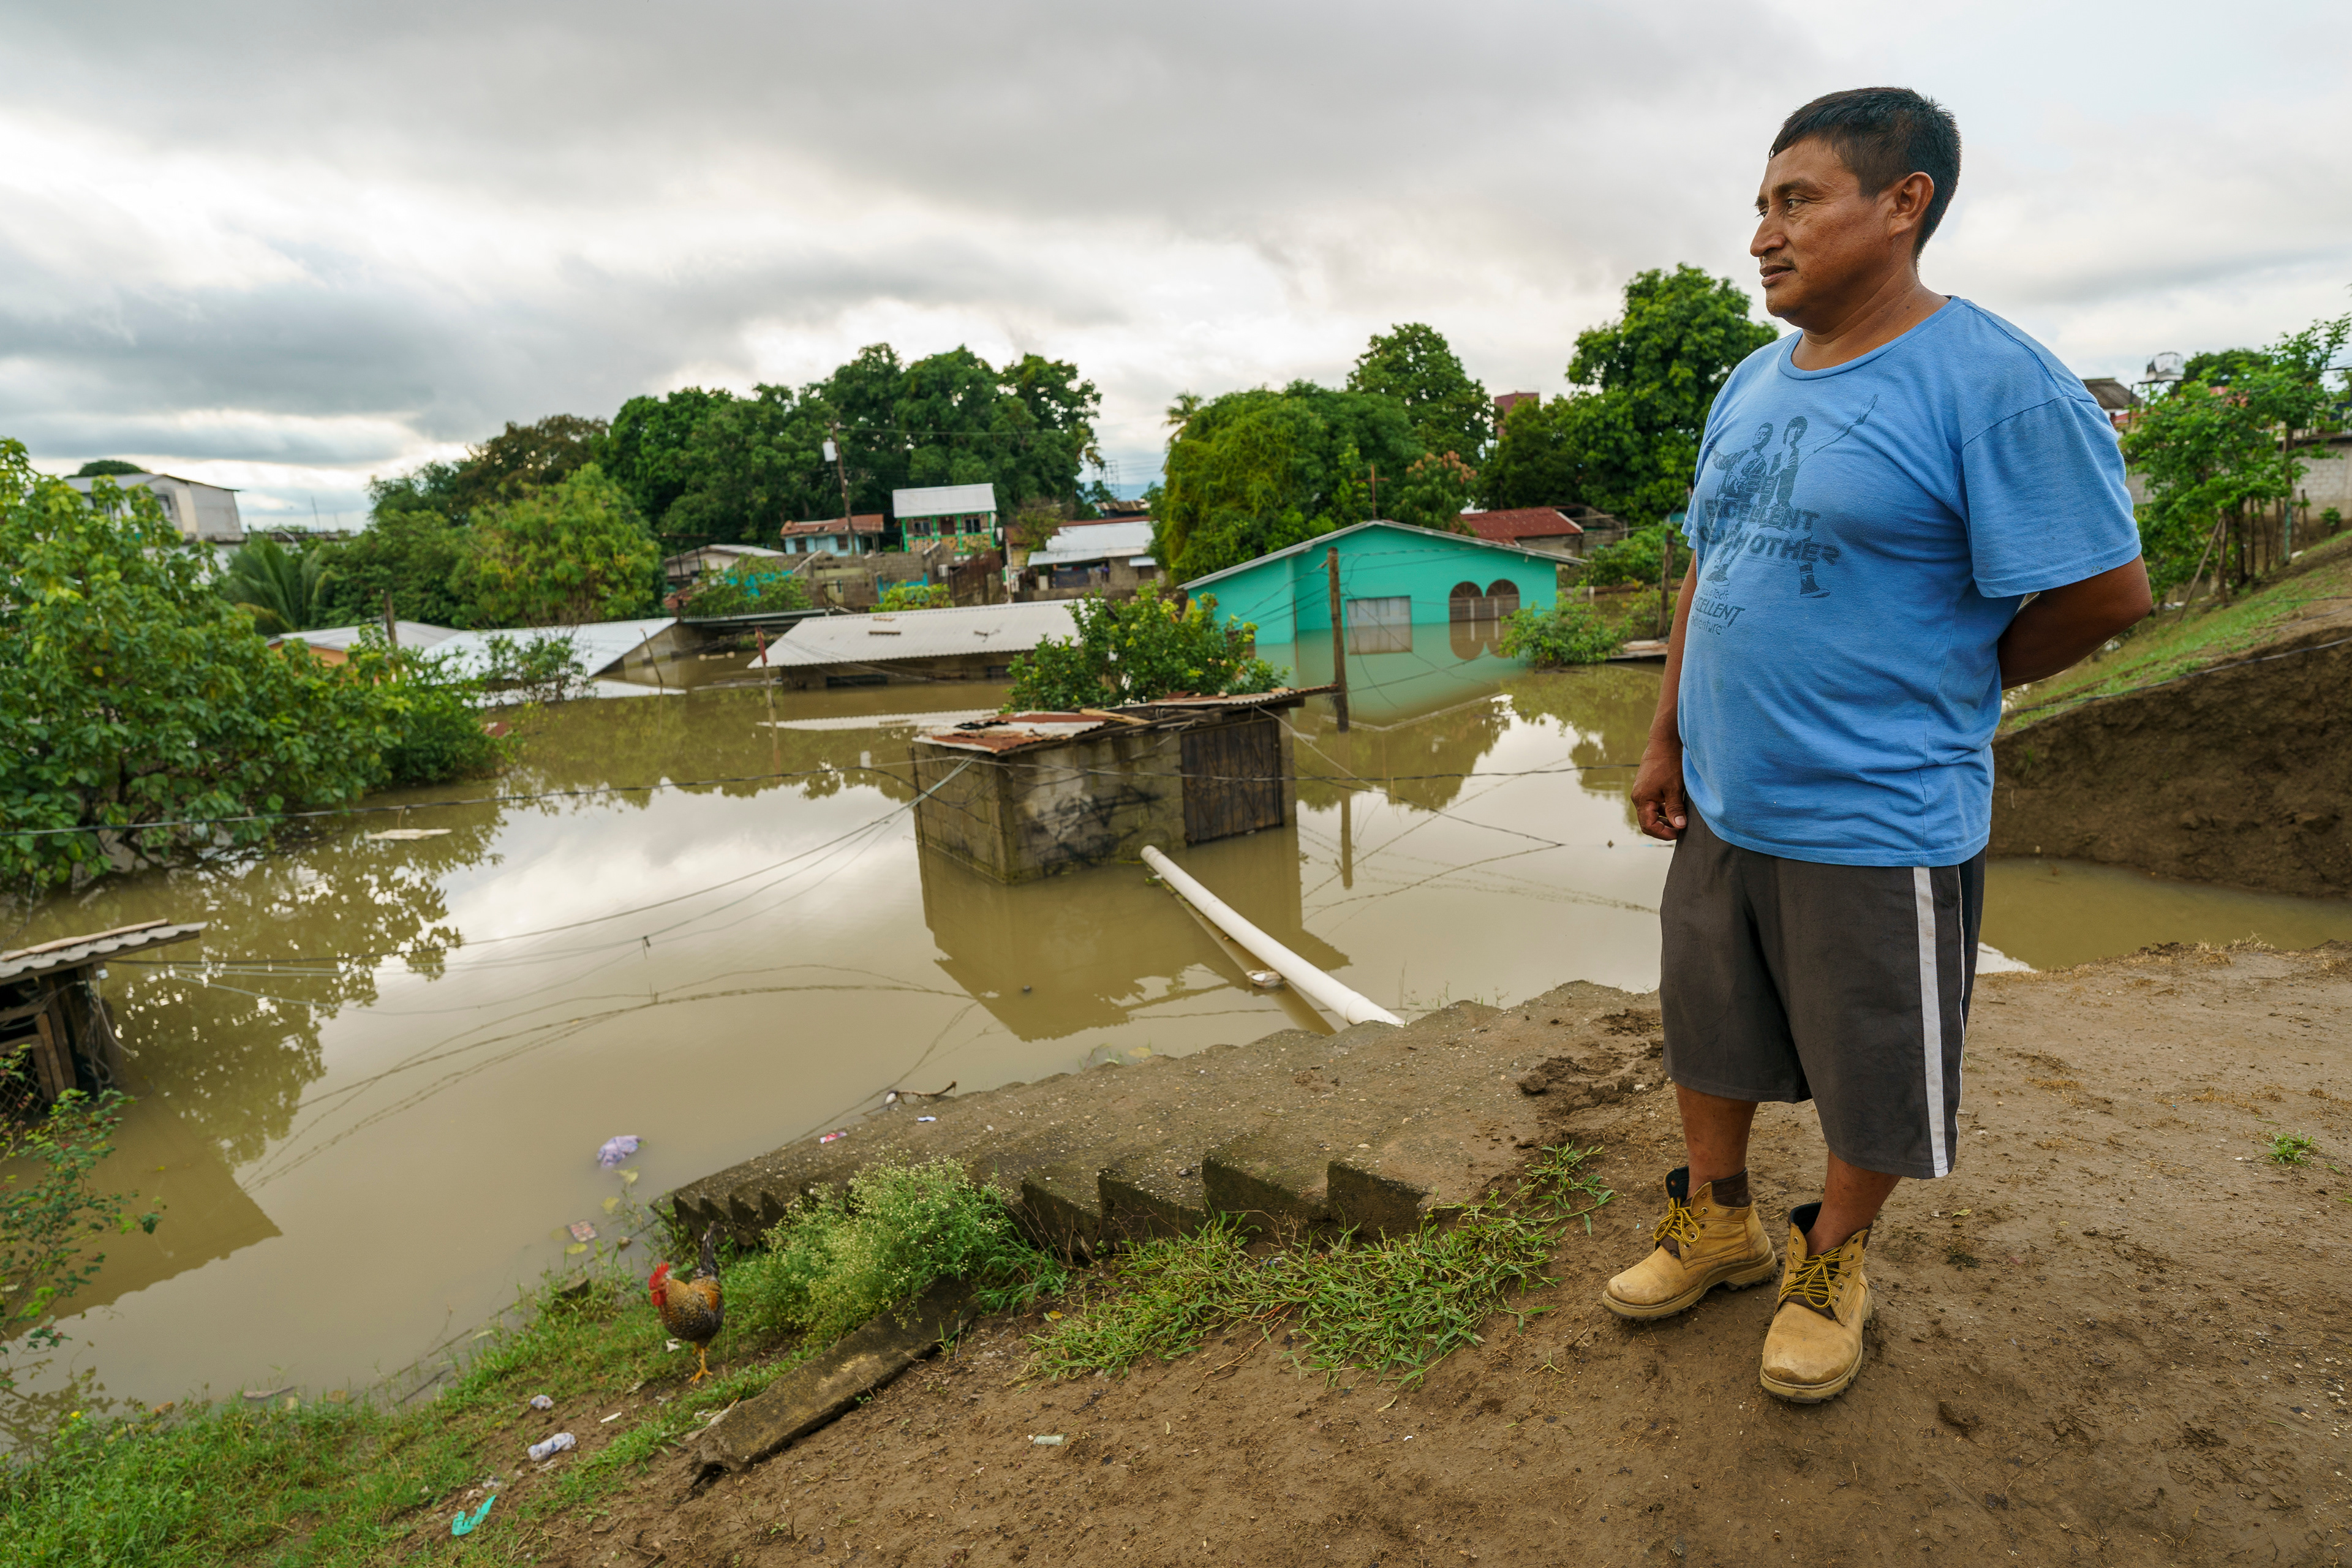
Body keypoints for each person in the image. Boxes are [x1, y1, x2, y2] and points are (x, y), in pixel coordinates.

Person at [1605, 87, 2152, 1404]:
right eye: (1761, 206)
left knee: (1874, 1058)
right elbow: (1710, 562)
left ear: (1903, 203)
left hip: (1879, 804)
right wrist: (1667, 731)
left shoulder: (1998, 383)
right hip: (1731, 791)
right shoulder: (1749, 381)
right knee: (1710, 1021)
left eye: (1796, 201)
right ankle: (1720, 1217)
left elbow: (2107, 592)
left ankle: (1832, 1259)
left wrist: (1958, 677)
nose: (1762, 236)